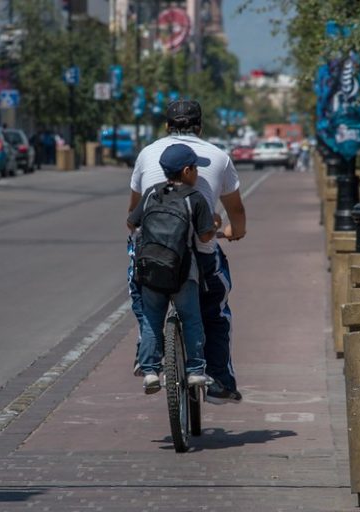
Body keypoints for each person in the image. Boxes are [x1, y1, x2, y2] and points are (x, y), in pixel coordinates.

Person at [128, 99, 247, 404]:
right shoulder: (219, 157)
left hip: (152, 253)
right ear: (200, 126)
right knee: (214, 311)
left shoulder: (147, 154)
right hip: (198, 257)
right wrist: (231, 230)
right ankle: (218, 379)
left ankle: (146, 357)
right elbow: (236, 213)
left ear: (167, 127)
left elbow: (131, 217)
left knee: (143, 301)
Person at [127, 144, 217, 393]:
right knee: (191, 319)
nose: (197, 173)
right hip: (182, 272)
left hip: (150, 271)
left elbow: (130, 223)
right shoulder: (194, 198)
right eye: (196, 168)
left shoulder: (151, 194)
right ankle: (196, 371)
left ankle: (150, 372)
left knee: (151, 320)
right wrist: (215, 224)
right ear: (187, 171)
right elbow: (206, 236)